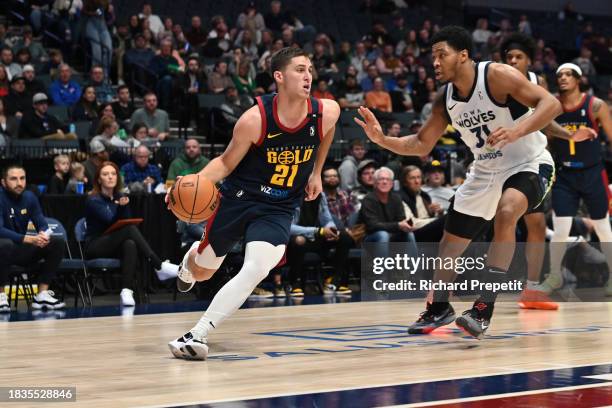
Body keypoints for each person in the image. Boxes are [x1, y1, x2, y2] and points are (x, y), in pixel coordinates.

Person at [355, 26, 565, 339]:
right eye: (433, 56)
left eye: (442, 54)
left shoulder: (497, 75)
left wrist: (517, 131)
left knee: (507, 213)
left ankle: (483, 308)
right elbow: (421, 145)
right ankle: (439, 307)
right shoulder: (446, 99)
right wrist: (383, 139)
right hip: (486, 170)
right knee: (450, 244)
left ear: (463, 55)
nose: (435, 62)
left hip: (529, 162)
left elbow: (551, 105)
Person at [167, 47, 340, 360]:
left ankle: (196, 334)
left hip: (280, 206)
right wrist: (188, 183)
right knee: (204, 270)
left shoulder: (326, 111)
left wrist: (316, 171)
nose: (308, 76)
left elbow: (326, 134)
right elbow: (224, 163)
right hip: (240, 198)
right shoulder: (254, 120)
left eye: (310, 69)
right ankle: (191, 259)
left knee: (257, 268)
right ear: (279, 76)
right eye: (300, 69)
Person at [501, 33, 597, 310]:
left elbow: (546, 122)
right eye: (509, 57)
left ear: (529, 60)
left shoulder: (537, 84)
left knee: (537, 225)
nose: (514, 61)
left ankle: (531, 290)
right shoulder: (496, 82)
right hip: (498, 162)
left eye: (519, 57)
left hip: (530, 162)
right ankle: (442, 291)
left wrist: (569, 135)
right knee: (472, 224)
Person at [543, 62, 612, 297]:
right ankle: (554, 275)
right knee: (560, 227)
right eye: (559, 74)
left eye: (568, 74)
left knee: (603, 226)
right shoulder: (552, 105)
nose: (562, 78)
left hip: (593, 173)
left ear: (578, 79)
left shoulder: (595, 106)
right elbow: (546, 134)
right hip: (565, 174)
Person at [84, 161, 178, 306]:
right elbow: (110, 221)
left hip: (114, 244)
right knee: (129, 230)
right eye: (105, 174)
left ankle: (126, 291)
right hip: (95, 245)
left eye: (113, 174)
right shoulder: (93, 199)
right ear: (98, 179)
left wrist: (123, 206)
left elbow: (126, 220)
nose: (110, 177)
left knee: (130, 243)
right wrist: (120, 207)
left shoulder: (120, 196)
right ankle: (158, 265)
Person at [0, 165, 65, 311]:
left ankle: (41, 294)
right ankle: (1, 295)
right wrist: (28, 238)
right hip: (3, 250)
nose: (19, 183)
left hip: (20, 251)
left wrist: (43, 234)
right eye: (13, 179)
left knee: (56, 242)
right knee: (4, 244)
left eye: (22, 178)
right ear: (3, 182)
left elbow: (41, 223)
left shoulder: (30, 197)